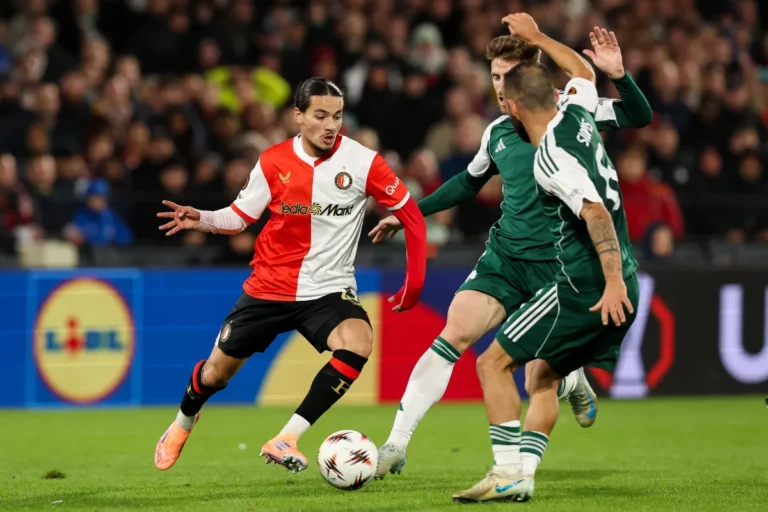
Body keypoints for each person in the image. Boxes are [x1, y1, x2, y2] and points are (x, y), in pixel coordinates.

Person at [372, 17, 652, 479]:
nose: (500, 87)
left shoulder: (572, 113)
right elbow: (468, 181)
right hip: (506, 258)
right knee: (453, 333)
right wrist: (409, 214)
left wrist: (617, 74)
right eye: (494, 77)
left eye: (508, 76)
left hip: (558, 268)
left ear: (533, 72)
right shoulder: (498, 131)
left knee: (538, 374)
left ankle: (570, 385)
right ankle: (395, 444)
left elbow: (638, 116)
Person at [152, 78, 427, 474]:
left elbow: (411, 216)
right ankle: (182, 423)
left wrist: (414, 283)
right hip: (269, 286)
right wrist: (203, 219)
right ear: (298, 116)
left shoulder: (364, 162)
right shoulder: (273, 161)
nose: (330, 125)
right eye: (320, 115)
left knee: (358, 341)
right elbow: (239, 217)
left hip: (328, 288)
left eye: (337, 116)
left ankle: (287, 437)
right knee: (215, 375)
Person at [453, 60, 639, 503]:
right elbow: (582, 73)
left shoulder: (549, 156)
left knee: (491, 364)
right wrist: (538, 39)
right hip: (623, 281)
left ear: (513, 107)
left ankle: (507, 472)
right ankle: (526, 471)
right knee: (541, 378)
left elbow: (593, 212)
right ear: (556, 95)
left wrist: (609, 281)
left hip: (584, 290)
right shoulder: (577, 116)